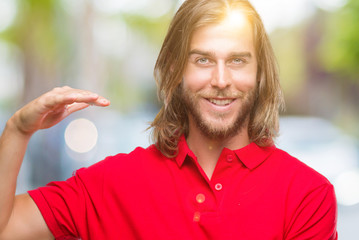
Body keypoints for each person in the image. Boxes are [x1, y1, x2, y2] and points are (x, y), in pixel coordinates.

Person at [0, 0, 338, 239]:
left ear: (259, 72)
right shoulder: (112, 184)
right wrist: (16, 132)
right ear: (176, 70)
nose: (221, 79)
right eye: (203, 60)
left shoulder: (307, 196)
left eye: (237, 61)